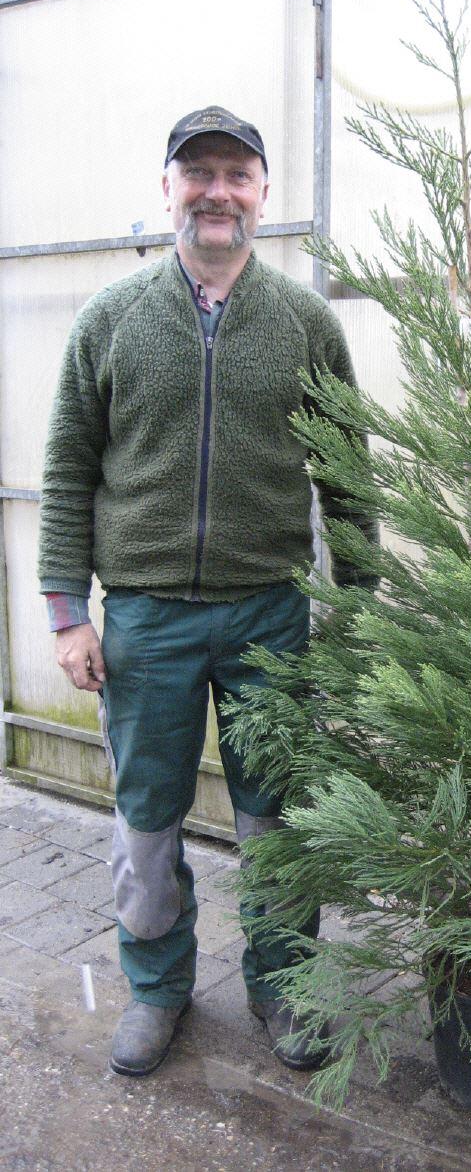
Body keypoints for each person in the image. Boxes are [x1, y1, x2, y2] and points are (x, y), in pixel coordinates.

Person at [38, 105, 375, 1077]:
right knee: (147, 819)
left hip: (270, 611)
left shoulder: (306, 323)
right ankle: (156, 988)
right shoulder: (110, 322)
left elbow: (348, 478)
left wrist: (354, 611)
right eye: (199, 173)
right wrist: (69, 612)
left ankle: (284, 985)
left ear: (263, 195)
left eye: (238, 174)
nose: (217, 191)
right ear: (168, 188)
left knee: (278, 816)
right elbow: (68, 472)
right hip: (144, 619)